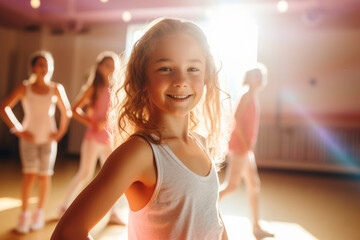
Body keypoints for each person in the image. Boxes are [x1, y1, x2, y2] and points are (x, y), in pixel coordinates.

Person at [51, 17, 229, 240]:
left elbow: (213, 220)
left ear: (206, 76)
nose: (181, 80)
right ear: (143, 78)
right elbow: (67, 233)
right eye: (166, 68)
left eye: (193, 68)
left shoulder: (200, 143)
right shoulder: (141, 152)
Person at [0, 50, 72, 234]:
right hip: (29, 140)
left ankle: (38, 214)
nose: (43, 68)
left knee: (44, 176)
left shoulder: (56, 88)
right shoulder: (24, 88)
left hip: (48, 140)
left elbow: (67, 112)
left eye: (46, 64)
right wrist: (18, 129)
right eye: (40, 64)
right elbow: (4, 108)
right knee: (29, 177)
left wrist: (60, 132)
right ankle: (24, 215)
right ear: (33, 67)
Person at [58, 51, 125, 225]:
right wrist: (92, 123)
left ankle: (114, 213)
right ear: (99, 67)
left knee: (113, 177)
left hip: (111, 139)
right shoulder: (93, 89)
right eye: (107, 65)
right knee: (85, 173)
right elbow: (73, 110)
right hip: (93, 138)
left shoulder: (117, 89)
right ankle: (64, 206)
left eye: (113, 66)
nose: (110, 69)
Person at [219, 64, 274, 239]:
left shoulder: (253, 96)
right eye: (256, 76)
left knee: (254, 185)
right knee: (232, 186)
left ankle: (256, 227)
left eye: (260, 76)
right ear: (249, 78)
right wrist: (244, 143)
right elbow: (236, 118)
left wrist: (247, 145)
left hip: (246, 149)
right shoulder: (246, 95)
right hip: (241, 148)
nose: (259, 79)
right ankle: (204, 207)